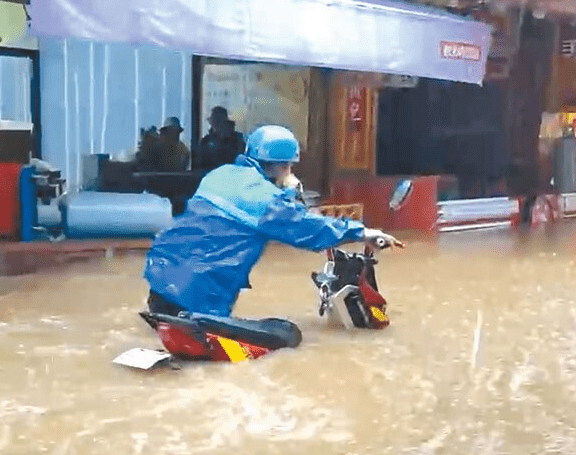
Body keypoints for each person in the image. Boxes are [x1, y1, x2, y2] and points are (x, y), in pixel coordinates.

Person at [144, 125, 402, 318]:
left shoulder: (219, 175)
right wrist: (363, 232)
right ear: (283, 166)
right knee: (289, 337)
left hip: (158, 287)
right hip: (199, 301)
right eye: (289, 166)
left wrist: (284, 193)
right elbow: (307, 229)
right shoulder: (271, 203)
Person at [196, 106, 246, 171]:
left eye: (218, 120)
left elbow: (242, 161)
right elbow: (199, 165)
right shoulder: (206, 141)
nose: (216, 123)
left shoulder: (237, 139)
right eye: (214, 120)